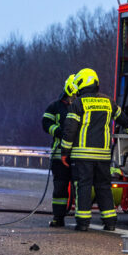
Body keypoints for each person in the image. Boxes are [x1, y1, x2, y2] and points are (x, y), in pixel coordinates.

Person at [59, 68, 128, 232]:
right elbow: (125, 121)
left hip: (83, 155)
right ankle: (110, 222)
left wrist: (64, 152)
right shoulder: (108, 102)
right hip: (103, 156)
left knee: (84, 187)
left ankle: (83, 223)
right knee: (104, 187)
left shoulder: (78, 104)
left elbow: (69, 130)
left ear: (83, 83)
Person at [41, 73, 80, 227]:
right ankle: (58, 217)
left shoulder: (81, 105)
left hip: (78, 154)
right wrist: (57, 131)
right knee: (60, 188)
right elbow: (45, 123)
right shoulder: (55, 106)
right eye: (72, 96)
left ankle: (81, 219)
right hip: (59, 155)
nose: (73, 99)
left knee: (80, 188)